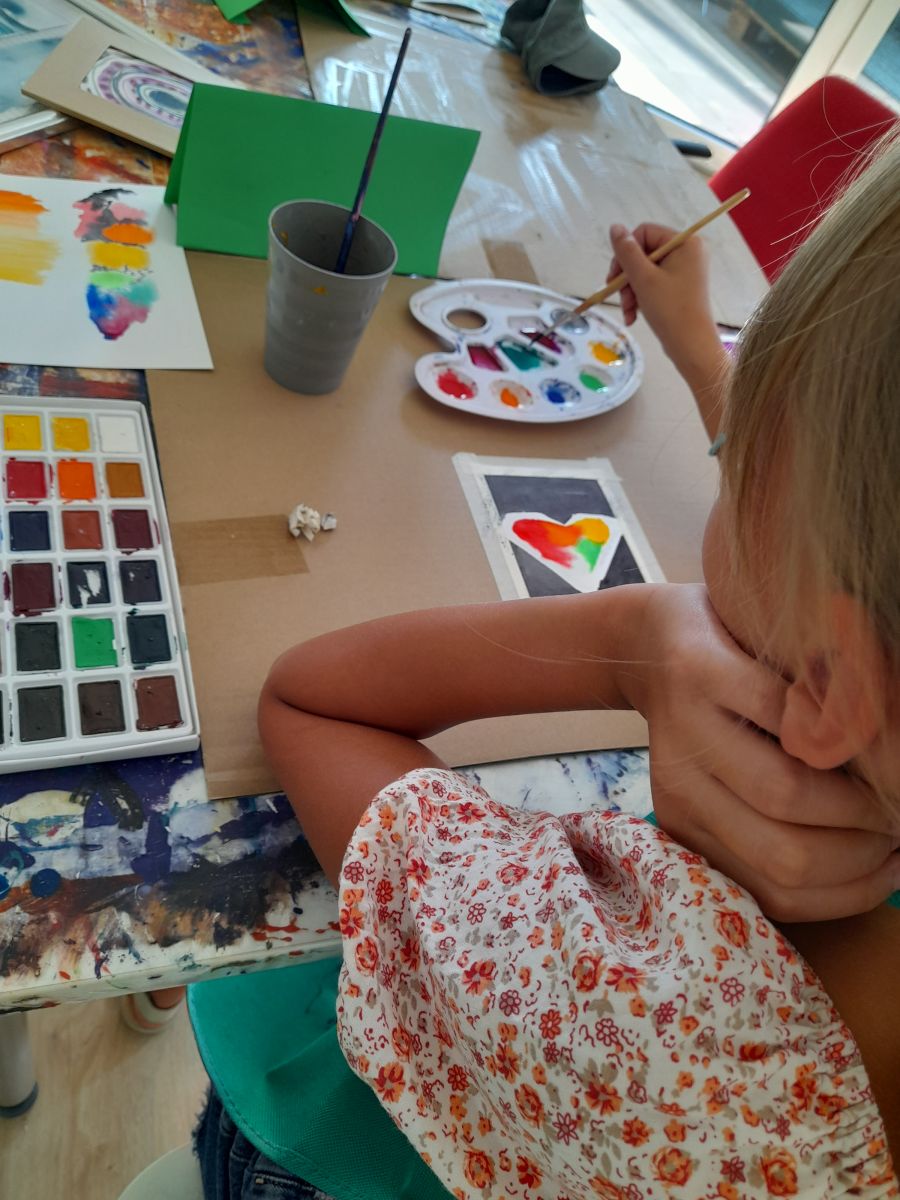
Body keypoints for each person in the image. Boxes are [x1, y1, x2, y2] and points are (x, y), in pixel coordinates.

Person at [195, 132, 900, 1198]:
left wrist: (632, 644)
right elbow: (838, 519)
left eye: (748, 446)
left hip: (320, 1150)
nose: (731, 454)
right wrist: (699, 354)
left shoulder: (646, 1009)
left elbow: (310, 700)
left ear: (835, 690)